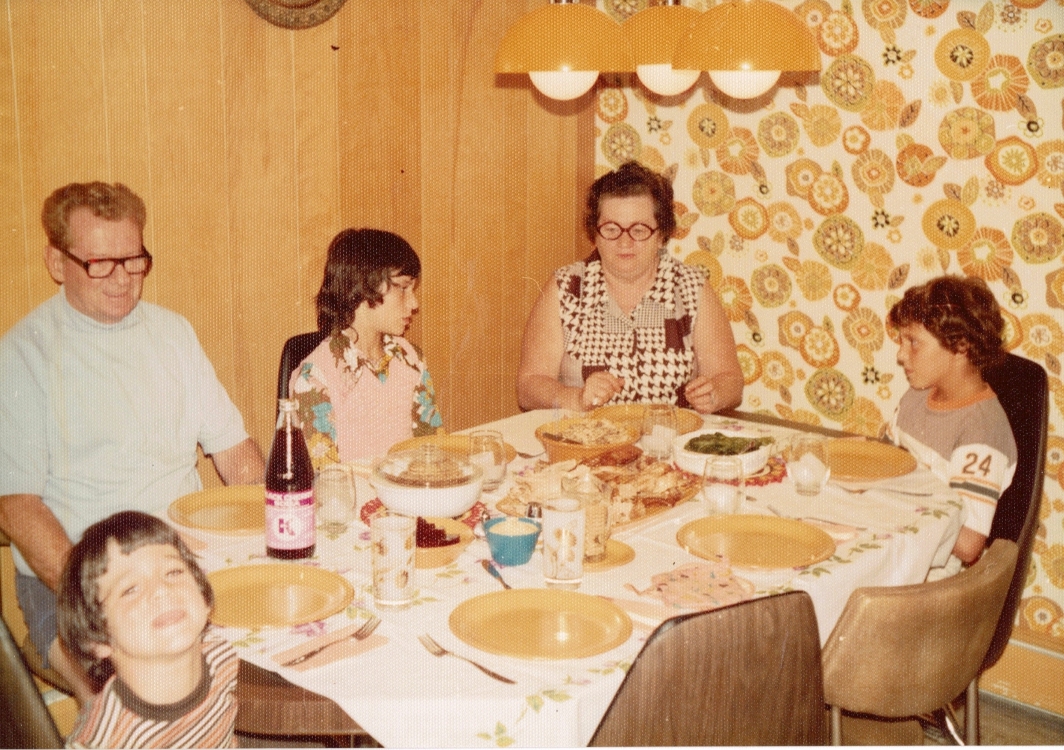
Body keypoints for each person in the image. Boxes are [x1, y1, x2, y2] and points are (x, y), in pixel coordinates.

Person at [0, 181, 264, 703]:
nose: (123, 279)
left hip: (184, 563)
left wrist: (276, 533)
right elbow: (17, 509)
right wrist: (104, 600)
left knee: (276, 666)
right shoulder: (23, 356)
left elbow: (236, 455)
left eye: (134, 260)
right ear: (57, 263)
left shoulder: (173, 334)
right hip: (75, 581)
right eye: (101, 263)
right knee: (140, 702)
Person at [516, 161, 743, 414]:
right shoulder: (566, 288)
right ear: (595, 233)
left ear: (661, 235)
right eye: (611, 229)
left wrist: (715, 394)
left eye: (639, 230)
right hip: (587, 435)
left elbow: (730, 379)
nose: (624, 242)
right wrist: (575, 398)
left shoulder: (691, 288)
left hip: (669, 435)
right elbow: (528, 386)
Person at [58, 511, 238, 749]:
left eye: (173, 572)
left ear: (204, 598)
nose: (162, 589)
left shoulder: (223, 658)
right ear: (97, 638)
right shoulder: (106, 737)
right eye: (130, 589)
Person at [886, 275, 1017, 575]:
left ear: (960, 346)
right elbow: (889, 461)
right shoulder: (917, 395)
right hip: (896, 546)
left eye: (913, 342)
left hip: (931, 576)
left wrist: (897, 497)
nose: (901, 355)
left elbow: (969, 543)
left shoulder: (981, 431)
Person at [290, 228, 443, 465]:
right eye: (403, 288)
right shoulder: (314, 378)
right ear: (364, 286)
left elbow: (432, 448)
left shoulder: (410, 358)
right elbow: (326, 477)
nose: (414, 303)